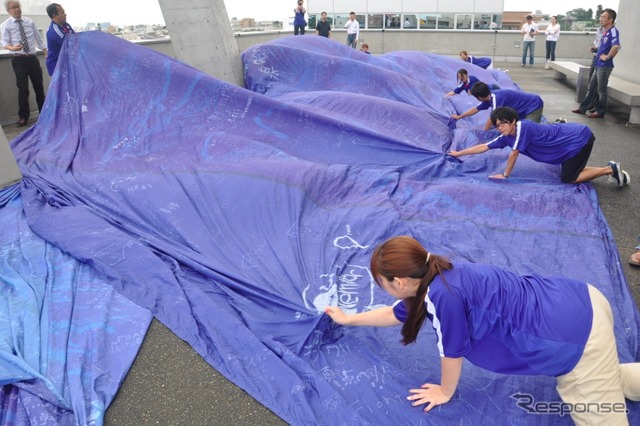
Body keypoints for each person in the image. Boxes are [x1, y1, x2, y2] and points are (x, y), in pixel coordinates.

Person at [324, 236, 640, 424]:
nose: (382, 288)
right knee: (605, 376)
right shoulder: (439, 272)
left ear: (400, 281)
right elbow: (395, 314)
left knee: (593, 396)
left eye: (381, 283)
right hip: (580, 298)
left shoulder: (441, 297)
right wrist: (349, 319)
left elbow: (452, 353)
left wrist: (445, 391)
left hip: (574, 340)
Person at [448, 106, 630, 185]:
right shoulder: (506, 136)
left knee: (569, 178)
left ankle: (610, 169)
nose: (500, 128)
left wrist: (505, 175)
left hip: (578, 139)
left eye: (503, 123)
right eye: (497, 125)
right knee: (571, 169)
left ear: (512, 121)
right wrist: (459, 153)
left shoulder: (523, 127)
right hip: (568, 145)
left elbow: (514, 154)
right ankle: (608, 168)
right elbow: (484, 146)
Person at [1, 0, 47, 127]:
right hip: (19, 59)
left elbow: (39, 38)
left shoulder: (29, 22)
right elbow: (4, 42)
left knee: (39, 87)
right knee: (23, 89)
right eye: (13, 8)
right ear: (8, 11)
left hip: (32, 58)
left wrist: (45, 51)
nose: (16, 9)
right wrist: (12, 48)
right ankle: (23, 117)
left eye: (18, 6)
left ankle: (43, 113)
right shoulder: (5, 25)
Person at [572, 9, 620, 119]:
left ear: (610, 20)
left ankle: (600, 111)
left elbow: (616, 46)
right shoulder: (605, 32)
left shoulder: (613, 31)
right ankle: (583, 108)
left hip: (604, 66)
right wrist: (597, 49)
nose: (600, 19)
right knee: (591, 87)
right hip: (598, 64)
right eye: (601, 16)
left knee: (601, 90)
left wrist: (607, 57)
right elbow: (605, 46)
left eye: (603, 17)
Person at [451, 82, 543, 131]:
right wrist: (460, 116)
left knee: (529, 130)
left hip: (533, 106)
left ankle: (548, 128)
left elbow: (492, 118)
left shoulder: (497, 98)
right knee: (515, 127)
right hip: (521, 109)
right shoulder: (488, 98)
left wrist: (484, 133)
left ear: (479, 97)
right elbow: (475, 109)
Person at [45, 3, 74, 76]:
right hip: (56, 66)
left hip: (65, 63)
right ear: (54, 15)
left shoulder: (66, 25)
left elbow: (75, 37)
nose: (65, 14)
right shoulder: (54, 31)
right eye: (62, 13)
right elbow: (70, 44)